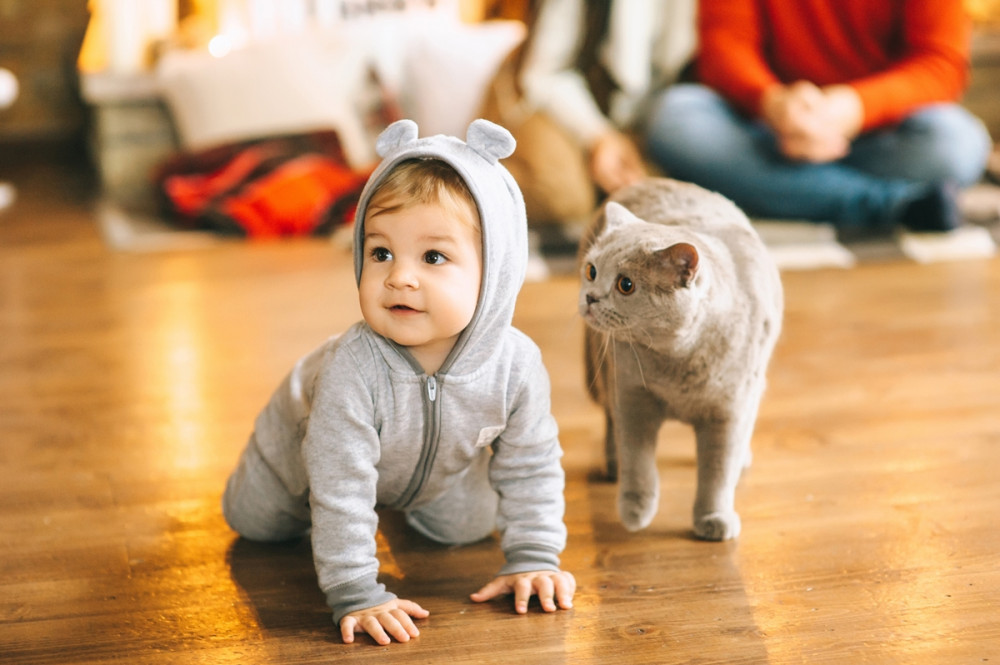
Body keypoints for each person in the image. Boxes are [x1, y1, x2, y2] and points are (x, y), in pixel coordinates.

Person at [222, 118, 575, 646]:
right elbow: (339, 482)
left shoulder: (516, 365)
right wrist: (355, 590)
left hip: (432, 469)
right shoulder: (353, 368)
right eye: (380, 252)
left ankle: (405, 501)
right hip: (299, 458)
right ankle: (312, 501)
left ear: (496, 271)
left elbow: (532, 464)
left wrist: (535, 556)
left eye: (434, 257)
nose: (399, 277)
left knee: (467, 529)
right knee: (257, 521)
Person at [645, 0, 994, 234]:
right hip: (768, 130)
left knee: (958, 143)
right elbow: (724, 48)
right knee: (675, 118)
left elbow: (940, 64)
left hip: (878, 132)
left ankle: (785, 190)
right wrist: (775, 104)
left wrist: (852, 108)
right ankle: (889, 204)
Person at [479, 0, 697, 228]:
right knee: (563, 196)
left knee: (655, 201)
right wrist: (598, 136)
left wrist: (629, 137)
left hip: (630, 117)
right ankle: (464, 181)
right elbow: (543, 74)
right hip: (543, 95)